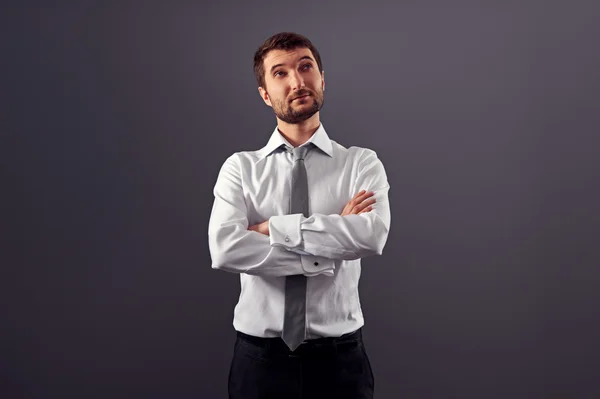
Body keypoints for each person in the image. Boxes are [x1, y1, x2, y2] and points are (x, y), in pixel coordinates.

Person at [208, 31, 391, 399]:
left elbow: (371, 236)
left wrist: (271, 228)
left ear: (322, 78)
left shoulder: (360, 163)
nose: (297, 81)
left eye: (305, 67)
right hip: (259, 362)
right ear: (264, 94)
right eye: (280, 73)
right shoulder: (240, 169)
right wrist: (329, 246)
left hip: (340, 362)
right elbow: (225, 249)